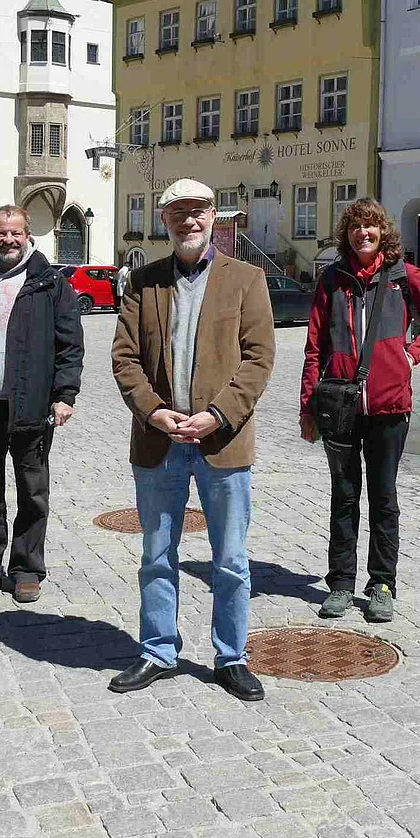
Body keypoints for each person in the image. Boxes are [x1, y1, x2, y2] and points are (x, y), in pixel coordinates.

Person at [110, 179, 275, 701]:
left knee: (230, 560)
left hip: (221, 442)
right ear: (165, 221)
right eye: (178, 213)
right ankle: (158, 650)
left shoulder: (246, 279)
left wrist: (217, 415)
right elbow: (124, 357)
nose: (189, 221)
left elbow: (259, 359)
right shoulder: (144, 282)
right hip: (160, 441)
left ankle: (231, 656)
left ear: (213, 216)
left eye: (198, 211)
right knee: (157, 554)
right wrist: (154, 412)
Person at [300, 197, 420, 623]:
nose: (363, 233)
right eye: (355, 227)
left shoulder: (404, 278)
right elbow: (314, 347)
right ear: (347, 234)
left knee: (384, 497)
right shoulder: (332, 281)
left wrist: (409, 356)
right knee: (344, 496)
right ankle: (339, 583)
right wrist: (308, 407)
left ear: (382, 232)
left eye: (370, 226)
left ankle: (381, 584)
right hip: (340, 407)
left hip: (390, 408)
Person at [0, 205, 83, 604]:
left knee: (32, 491)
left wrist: (65, 394)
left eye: (15, 233)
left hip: (31, 406)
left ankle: (26, 568)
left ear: (28, 236)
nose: (8, 239)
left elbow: (70, 344)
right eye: (0, 233)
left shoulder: (49, 283)